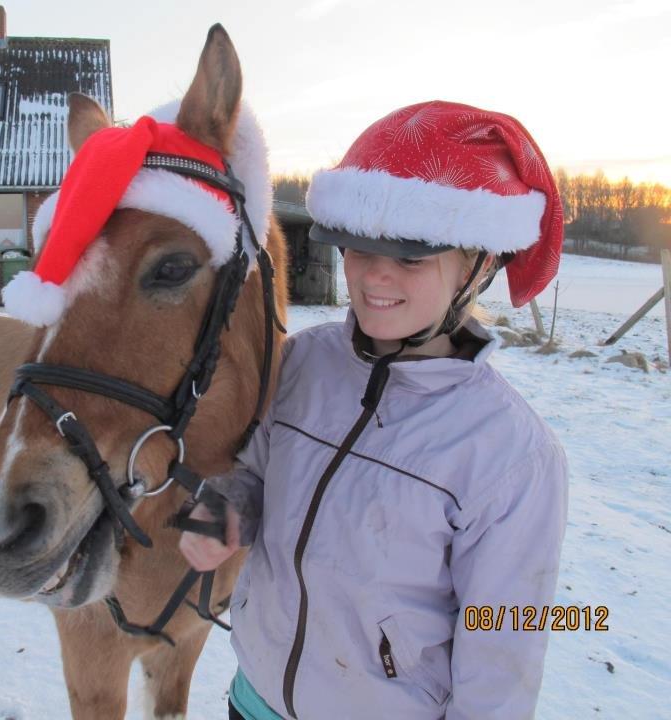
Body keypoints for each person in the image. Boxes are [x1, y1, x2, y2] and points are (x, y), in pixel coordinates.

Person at [179, 100, 569, 720]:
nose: (373, 279)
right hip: (253, 699)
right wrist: (224, 509)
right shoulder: (302, 362)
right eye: (358, 250)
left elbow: (504, 645)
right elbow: (252, 474)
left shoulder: (511, 456)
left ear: (479, 264)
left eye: (411, 258)